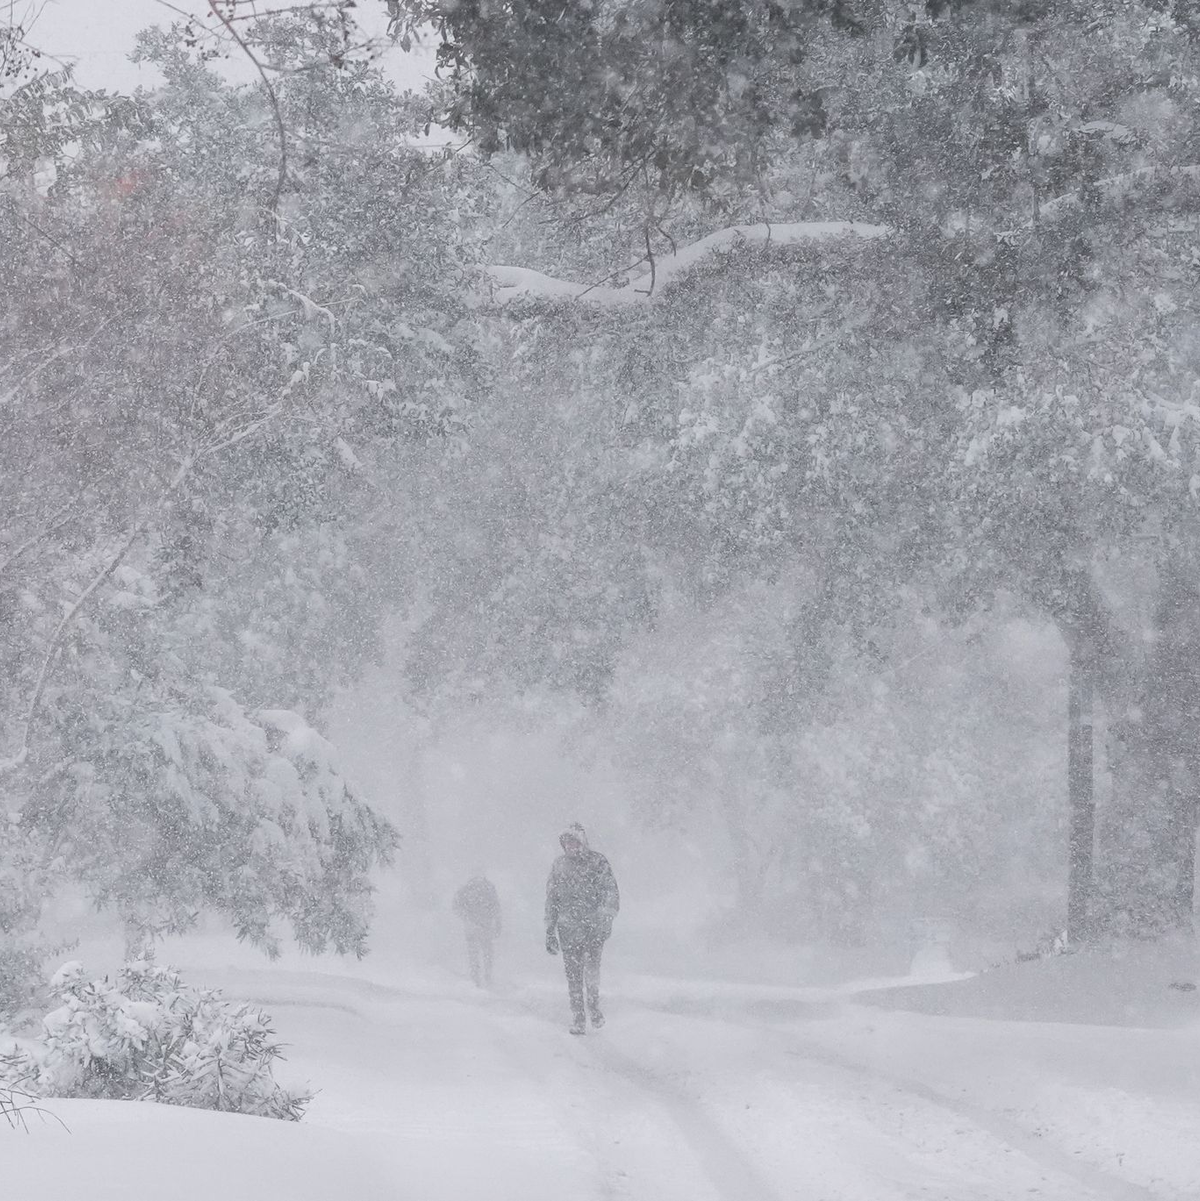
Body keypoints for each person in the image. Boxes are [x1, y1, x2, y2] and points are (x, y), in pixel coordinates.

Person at [544, 822, 619, 1034]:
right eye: (566, 842)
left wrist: (605, 917)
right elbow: (552, 900)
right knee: (573, 976)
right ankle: (578, 1018)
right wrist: (550, 929)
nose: (570, 846)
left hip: (593, 930)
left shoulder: (598, 862)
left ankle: (594, 1008)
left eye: (574, 841)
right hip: (567, 931)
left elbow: (611, 892)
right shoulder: (559, 866)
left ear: (583, 842)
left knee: (592, 971)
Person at [453, 870, 502, 988]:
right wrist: (497, 924)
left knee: (474, 954)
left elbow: (456, 906)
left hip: (472, 927)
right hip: (485, 926)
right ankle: (486, 977)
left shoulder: (466, 888)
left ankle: (476, 979)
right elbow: (496, 906)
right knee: (487, 953)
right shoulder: (489, 887)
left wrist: (467, 919)